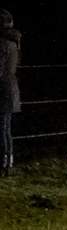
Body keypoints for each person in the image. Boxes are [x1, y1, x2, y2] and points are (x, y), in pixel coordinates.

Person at [0, 10, 19, 177]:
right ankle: (8, 161)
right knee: (6, 128)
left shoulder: (3, 44)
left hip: (3, 90)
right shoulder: (14, 42)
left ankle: (5, 163)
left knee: (3, 128)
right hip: (10, 88)